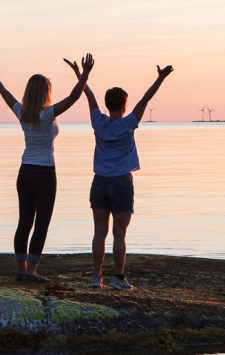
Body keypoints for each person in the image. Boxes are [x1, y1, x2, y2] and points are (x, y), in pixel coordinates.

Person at [0, 50, 95, 283]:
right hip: (44, 172)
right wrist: (84, 75)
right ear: (45, 93)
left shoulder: (22, 112)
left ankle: (20, 271)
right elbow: (74, 97)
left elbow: (2, 91)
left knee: (24, 222)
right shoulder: (47, 114)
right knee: (41, 222)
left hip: (24, 172)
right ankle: (31, 272)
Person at [65, 59, 173, 290]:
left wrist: (80, 73)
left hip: (99, 182)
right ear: (124, 106)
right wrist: (160, 78)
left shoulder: (98, 122)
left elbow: (88, 93)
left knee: (99, 232)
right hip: (122, 184)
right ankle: (118, 278)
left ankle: (96, 277)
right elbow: (146, 99)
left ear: (107, 105)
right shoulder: (128, 124)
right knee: (119, 234)